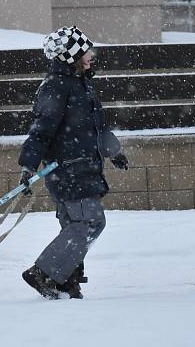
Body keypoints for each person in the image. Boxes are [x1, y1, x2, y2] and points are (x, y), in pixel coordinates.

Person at [18, 26, 129, 299]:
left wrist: (113, 152)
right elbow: (41, 129)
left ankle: (65, 280)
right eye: (84, 51)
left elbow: (97, 128)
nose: (91, 55)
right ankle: (43, 273)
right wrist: (28, 166)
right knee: (89, 223)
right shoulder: (56, 87)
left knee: (76, 226)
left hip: (84, 167)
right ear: (69, 57)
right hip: (68, 170)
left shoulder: (82, 84)